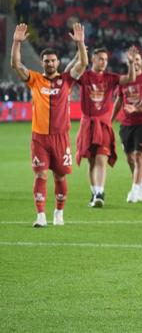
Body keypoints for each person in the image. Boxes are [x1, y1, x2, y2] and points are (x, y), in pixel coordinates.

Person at [11, 23, 87, 227]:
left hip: (61, 137)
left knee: (60, 176)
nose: (50, 63)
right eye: (46, 61)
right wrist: (16, 42)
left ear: (58, 62)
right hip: (39, 138)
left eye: (53, 60)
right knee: (41, 174)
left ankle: (59, 212)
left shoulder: (66, 80)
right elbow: (16, 64)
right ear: (42, 63)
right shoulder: (35, 80)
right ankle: (41, 215)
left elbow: (83, 63)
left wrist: (80, 43)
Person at [75, 47, 133, 207]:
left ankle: (100, 193)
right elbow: (69, 74)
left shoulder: (110, 77)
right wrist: (79, 55)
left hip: (103, 124)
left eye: (106, 60)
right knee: (91, 161)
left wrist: (131, 63)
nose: (103, 62)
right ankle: (94, 192)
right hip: (88, 124)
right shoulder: (85, 76)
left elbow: (130, 78)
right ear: (93, 59)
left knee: (102, 158)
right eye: (100, 59)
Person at [113, 52, 142, 203]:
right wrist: (110, 119)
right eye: (132, 60)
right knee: (129, 158)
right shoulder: (124, 80)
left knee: (139, 156)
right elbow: (119, 100)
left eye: (138, 60)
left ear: (141, 62)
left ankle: (135, 190)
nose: (135, 62)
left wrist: (137, 109)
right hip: (126, 124)